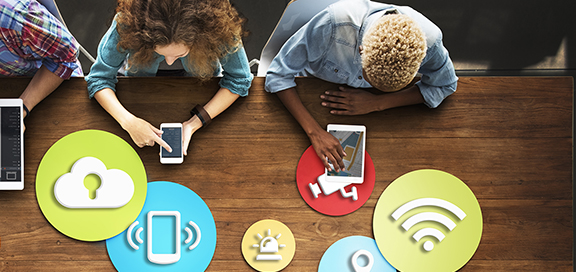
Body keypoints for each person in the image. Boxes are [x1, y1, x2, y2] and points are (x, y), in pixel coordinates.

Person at [265, 0, 457, 172]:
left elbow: (445, 85)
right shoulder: (333, 24)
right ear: (361, 51)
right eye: (369, 79)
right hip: (310, 85)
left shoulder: (430, 42)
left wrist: (379, 103)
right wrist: (314, 133)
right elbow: (278, 74)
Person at [85, 0, 253, 155]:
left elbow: (239, 79)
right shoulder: (128, 23)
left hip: (201, 89)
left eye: (180, 54)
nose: (170, 62)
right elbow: (99, 78)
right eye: (160, 52)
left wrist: (194, 123)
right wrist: (128, 122)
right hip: (138, 86)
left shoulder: (218, 27)